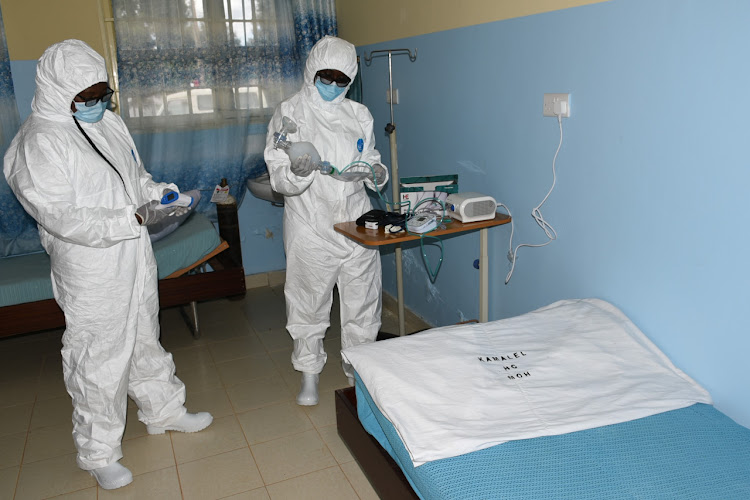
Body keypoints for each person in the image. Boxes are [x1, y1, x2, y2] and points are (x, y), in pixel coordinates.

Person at [3, 39, 212, 491]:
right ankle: (98, 452)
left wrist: (159, 194)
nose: (99, 103)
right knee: (98, 355)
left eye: (104, 94)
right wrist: (130, 217)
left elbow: (133, 177)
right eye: (88, 97)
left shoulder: (109, 123)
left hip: (134, 250)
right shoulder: (37, 143)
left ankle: (164, 411)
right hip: (89, 265)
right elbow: (60, 216)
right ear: (60, 91)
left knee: (142, 334)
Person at [264, 36, 389, 406]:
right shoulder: (290, 113)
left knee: (363, 305)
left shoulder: (359, 114)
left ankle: (359, 375)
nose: (333, 86)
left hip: (356, 224)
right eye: (326, 77)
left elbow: (373, 159)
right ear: (311, 71)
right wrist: (299, 174)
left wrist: (376, 172)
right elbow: (278, 176)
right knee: (308, 302)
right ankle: (309, 373)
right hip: (310, 225)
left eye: (342, 80)